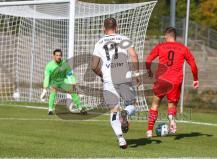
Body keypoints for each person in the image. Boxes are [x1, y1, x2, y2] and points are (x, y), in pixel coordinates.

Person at [91, 18, 141, 149]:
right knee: (133, 104)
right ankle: (125, 113)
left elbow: (94, 66)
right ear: (117, 27)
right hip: (124, 76)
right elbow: (134, 56)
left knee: (113, 111)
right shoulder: (124, 38)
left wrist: (102, 75)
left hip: (108, 79)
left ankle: (121, 140)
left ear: (104, 28)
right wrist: (136, 74)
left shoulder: (99, 43)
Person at [145, 27, 199, 138]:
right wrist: (195, 79)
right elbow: (193, 64)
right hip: (175, 80)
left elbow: (148, 60)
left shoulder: (160, 46)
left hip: (161, 79)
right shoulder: (183, 48)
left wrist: (149, 71)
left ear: (166, 36)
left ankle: (149, 131)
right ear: (175, 36)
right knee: (172, 104)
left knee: (155, 104)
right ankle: (171, 119)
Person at [40, 49, 84, 115]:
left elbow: (69, 75)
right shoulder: (49, 65)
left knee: (72, 91)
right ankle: (50, 110)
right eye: (57, 55)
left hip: (63, 81)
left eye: (60, 55)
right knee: (53, 91)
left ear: (61, 56)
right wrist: (44, 89)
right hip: (53, 82)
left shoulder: (65, 64)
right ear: (53, 56)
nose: (58, 57)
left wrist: (74, 84)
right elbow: (47, 77)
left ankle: (80, 109)